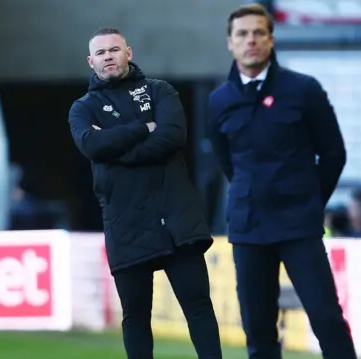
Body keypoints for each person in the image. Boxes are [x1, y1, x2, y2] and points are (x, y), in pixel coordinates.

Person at [207, 4, 356, 359]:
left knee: (326, 318)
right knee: (258, 331)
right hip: (247, 228)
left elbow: (333, 154)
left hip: (298, 226)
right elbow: (227, 162)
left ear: (271, 40)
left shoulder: (303, 90)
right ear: (230, 43)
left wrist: (309, 201)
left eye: (259, 32)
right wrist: (249, 195)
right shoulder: (219, 100)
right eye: (242, 34)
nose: (251, 40)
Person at [69, 28, 222, 359]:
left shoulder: (159, 91)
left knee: (198, 306)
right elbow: (91, 144)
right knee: (136, 316)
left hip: (176, 218)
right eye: (101, 52)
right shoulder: (83, 108)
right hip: (126, 224)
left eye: (115, 49)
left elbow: (171, 138)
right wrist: (142, 129)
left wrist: (116, 150)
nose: (108, 56)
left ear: (129, 53)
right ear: (90, 61)